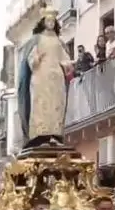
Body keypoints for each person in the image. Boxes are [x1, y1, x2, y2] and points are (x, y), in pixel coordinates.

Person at [15, 8, 74, 149]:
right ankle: (39, 134)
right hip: (40, 76)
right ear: (43, 22)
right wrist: (36, 58)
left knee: (56, 105)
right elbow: (30, 60)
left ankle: (55, 134)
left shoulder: (59, 42)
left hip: (56, 77)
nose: (50, 23)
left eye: (53, 21)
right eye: (48, 21)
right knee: (40, 104)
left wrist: (68, 65)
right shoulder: (37, 39)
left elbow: (64, 59)